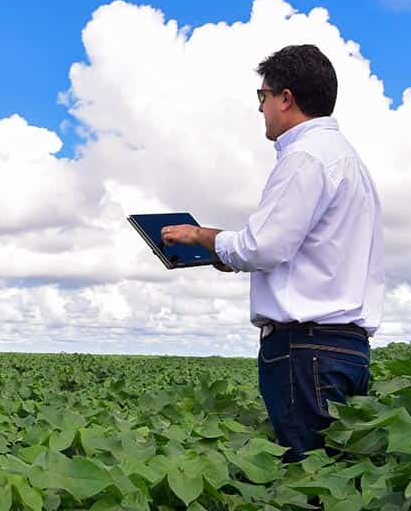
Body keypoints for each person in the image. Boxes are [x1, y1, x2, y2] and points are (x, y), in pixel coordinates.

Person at [160, 44, 384, 461]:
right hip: (347, 349)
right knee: (339, 477)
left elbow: (262, 246)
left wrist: (200, 236)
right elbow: (308, 251)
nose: (260, 108)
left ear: (286, 98)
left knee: (307, 478)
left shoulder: (305, 157)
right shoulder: (347, 159)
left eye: (262, 96)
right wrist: (228, 257)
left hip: (306, 349)